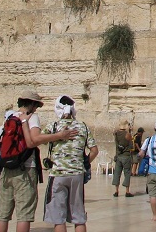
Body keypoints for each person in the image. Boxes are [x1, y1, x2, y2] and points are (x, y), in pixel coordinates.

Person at [0, 91, 78, 232]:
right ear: (31, 104)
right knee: (24, 214)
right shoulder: (31, 118)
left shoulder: (10, 117)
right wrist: (59, 135)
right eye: (36, 105)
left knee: (3, 212)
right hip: (25, 169)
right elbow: (33, 140)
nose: (36, 109)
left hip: (7, 168)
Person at [37, 96, 98, 232]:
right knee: (78, 217)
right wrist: (84, 163)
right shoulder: (83, 126)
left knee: (58, 219)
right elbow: (94, 150)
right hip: (77, 174)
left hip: (58, 173)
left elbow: (39, 139)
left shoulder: (54, 126)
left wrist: (58, 136)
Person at [112, 119, 133, 197]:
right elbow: (131, 146)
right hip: (126, 156)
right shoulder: (127, 134)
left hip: (118, 156)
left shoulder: (116, 134)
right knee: (127, 173)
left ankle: (116, 191)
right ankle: (127, 191)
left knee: (117, 173)